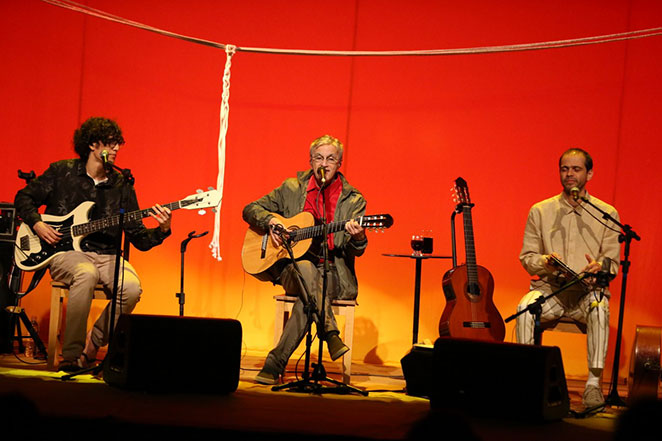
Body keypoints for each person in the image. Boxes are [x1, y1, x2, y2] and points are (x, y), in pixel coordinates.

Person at [14, 117, 172, 372]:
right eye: (111, 143)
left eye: (118, 144)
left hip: (107, 255)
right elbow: (24, 198)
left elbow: (138, 237)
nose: (117, 149)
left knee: (131, 288)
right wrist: (38, 224)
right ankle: (71, 356)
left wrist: (162, 229)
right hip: (65, 252)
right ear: (92, 145)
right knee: (85, 274)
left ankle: (90, 349)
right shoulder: (62, 171)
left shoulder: (121, 184)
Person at [243, 134, 367, 385]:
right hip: (290, 268)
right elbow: (250, 209)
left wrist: (359, 237)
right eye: (319, 158)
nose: (324, 164)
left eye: (331, 159)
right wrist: (273, 222)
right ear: (310, 161)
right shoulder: (291, 188)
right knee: (305, 267)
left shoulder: (354, 200)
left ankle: (274, 363)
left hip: (334, 273)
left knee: (308, 296)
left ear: (339, 163)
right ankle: (330, 333)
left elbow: (356, 251)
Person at [516, 148, 620, 408]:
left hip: (587, 293)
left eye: (576, 169)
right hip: (553, 289)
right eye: (565, 169)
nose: (569, 174)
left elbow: (613, 263)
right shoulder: (541, 211)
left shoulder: (606, 214)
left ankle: (593, 385)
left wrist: (600, 267)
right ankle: (527, 381)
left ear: (589, 173)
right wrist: (545, 262)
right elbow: (527, 257)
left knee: (599, 308)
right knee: (525, 308)